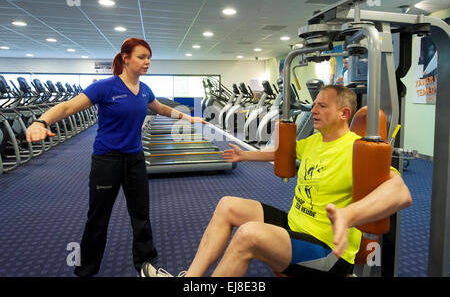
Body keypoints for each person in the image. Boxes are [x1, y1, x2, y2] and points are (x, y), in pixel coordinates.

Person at [141, 85, 412, 277]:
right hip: (296, 226)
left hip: (329, 252)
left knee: (248, 235)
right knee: (227, 205)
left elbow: (400, 192)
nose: (313, 109)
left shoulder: (358, 149)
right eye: (314, 103)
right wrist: (244, 156)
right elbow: (281, 153)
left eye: (322, 105)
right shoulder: (316, 141)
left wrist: (348, 216)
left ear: (343, 114)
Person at [26, 37, 206, 277]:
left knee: (141, 215)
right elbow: (68, 107)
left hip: (135, 160)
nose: (147, 62)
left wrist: (188, 118)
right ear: (125, 58)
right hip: (107, 160)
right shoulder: (105, 87)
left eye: (149, 58)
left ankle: (145, 264)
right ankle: (86, 269)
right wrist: (41, 121)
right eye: (141, 57)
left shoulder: (144, 90)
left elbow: (160, 108)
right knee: (98, 218)